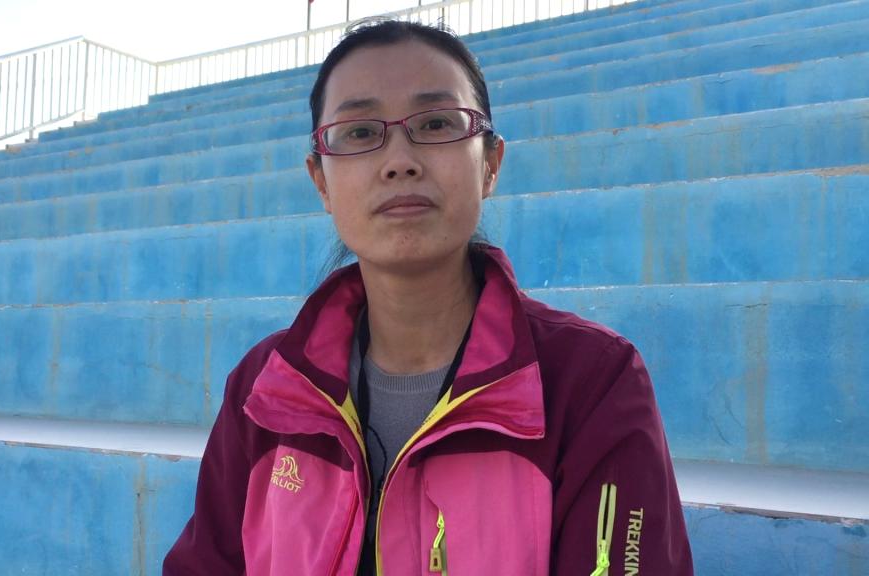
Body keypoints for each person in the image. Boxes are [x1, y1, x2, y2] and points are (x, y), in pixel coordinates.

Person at [163, 19, 693, 576]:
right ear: (321, 181)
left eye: (437, 123)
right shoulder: (266, 388)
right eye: (359, 132)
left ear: (490, 164)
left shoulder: (592, 382)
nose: (399, 161)